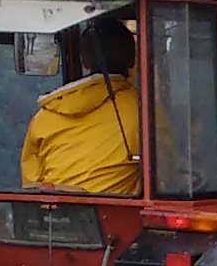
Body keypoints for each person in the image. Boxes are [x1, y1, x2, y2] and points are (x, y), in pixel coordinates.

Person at [20, 14, 141, 194]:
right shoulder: (145, 112)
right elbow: (165, 173)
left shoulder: (45, 116)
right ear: (133, 60)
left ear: (84, 61)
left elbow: (31, 184)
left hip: (53, 217)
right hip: (115, 219)